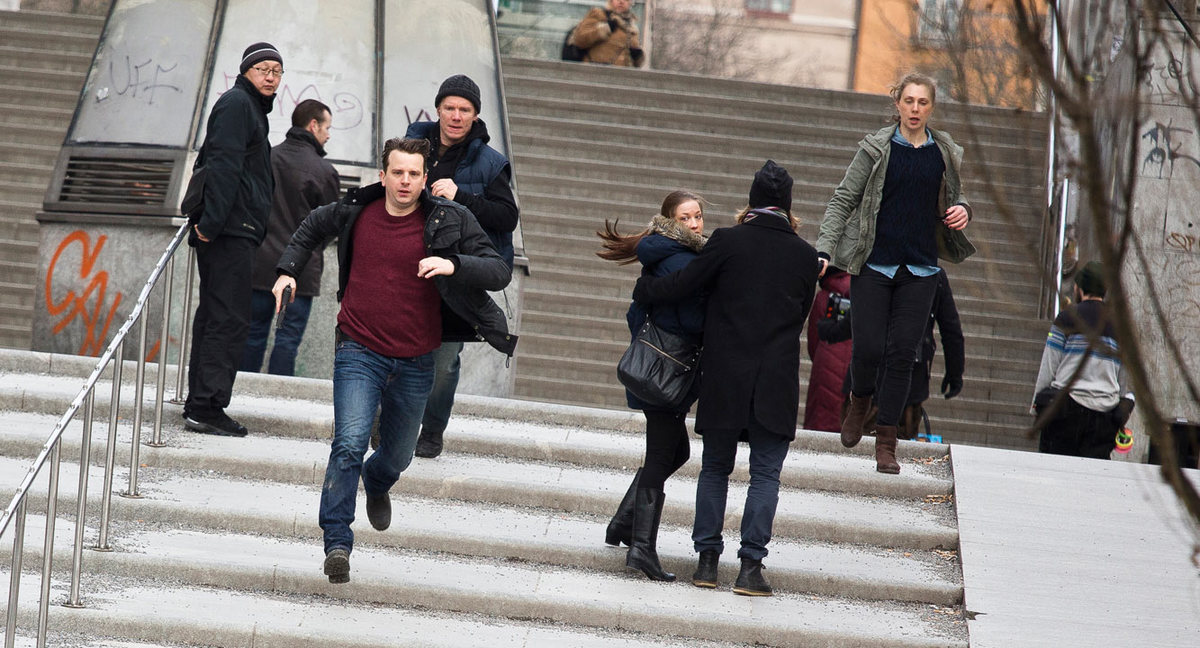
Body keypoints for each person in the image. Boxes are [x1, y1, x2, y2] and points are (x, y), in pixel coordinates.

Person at [272, 137, 516, 584]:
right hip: (358, 349)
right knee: (348, 442)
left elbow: (499, 269)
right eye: (397, 173)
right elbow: (311, 226)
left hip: (416, 358)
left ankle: (378, 480)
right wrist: (287, 270)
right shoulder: (356, 211)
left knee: (399, 455)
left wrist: (454, 265)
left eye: (414, 174)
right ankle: (337, 542)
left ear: (426, 178)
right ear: (382, 176)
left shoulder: (449, 218)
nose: (405, 181)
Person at [633, 161, 820, 597]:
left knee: (716, 468)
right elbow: (800, 314)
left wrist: (645, 291)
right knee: (766, 476)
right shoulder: (805, 256)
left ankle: (707, 563)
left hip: (724, 376)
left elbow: (685, 284)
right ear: (788, 205)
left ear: (752, 201)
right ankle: (751, 568)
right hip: (776, 379)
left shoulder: (727, 241)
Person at [816, 72, 975, 474]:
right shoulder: (876, 149)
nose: (915, 109)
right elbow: (842, 200)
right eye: (909, 101)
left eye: (923, 102)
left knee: (904, 354)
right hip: (874, 263)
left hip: (920, 269)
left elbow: (956, 197)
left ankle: (886, 442)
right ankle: (859, 401)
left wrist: (963, 210)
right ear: (897, 104)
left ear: (931, 107)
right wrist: (825, 248)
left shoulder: (944, 152)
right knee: (868, 348)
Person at [405, 74, 519, 460]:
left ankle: (431, 432)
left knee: (443, 363)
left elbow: (507, 217)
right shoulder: (411, 147)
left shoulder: (490, 163)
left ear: (475, 115)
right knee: (394, 352)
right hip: (409, 267)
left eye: (464, 110)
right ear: (437, 110)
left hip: (455, 275)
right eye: (450, 108)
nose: (456, 116)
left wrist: (463, 197)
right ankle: (392, 424)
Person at [596, 190, 707, 582]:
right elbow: (692, 318)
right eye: (685, 217)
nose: (694, 224)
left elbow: (637, 310)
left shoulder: (668, 251)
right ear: (669, 221)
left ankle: (623, 523)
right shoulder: (682, 259)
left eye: (697, 216)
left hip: (658, 367)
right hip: (667, 371)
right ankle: (641, 548)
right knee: (663, 455)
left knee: (677, 450)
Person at [182, 42, 282, 437]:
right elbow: (223, 166)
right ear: (246, 72)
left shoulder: (249, 107)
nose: (271, 77)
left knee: (216, 315)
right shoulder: (238, 104)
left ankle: (200, 402)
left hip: (233, 228)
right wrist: (211, 223)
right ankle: (207, 407)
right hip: (228, 230)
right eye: (263, 69)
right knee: (228, 318)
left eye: (277, 71)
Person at [240, 99, 340, 376]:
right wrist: (309, 249)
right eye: (327, 128)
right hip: (300, 271)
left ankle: (243, 391)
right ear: (313, 125)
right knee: (288, 339)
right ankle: (277, 397)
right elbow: (331, 224)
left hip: (259, 264)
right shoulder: (324, 171)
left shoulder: (267, 158)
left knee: (252, 335)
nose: (328, 135)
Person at [1032, 261, 1134, 459]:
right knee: (1092, 474)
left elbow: (1049, 367)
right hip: (1104, 416)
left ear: (1079, 288)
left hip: (1064, 410)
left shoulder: (1066, 318)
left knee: (1055, 468)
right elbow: (1125, 380)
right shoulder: (1121, 327)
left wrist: (1038, 407)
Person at [803, 268, 852, 433]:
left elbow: (813, 336)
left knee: (821, 419)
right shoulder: (865, 292)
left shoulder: (823, 295)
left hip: (825, 360)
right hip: (855, 362)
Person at [570, 0, 645, 67]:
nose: (621, 1)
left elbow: (636, 64)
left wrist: (638, 56)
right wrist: (605, 29)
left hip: (619, 75)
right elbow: (580, 39)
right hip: (594, 72)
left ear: (630, 2)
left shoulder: (632, 27)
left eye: (626, 0)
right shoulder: (598, 14)